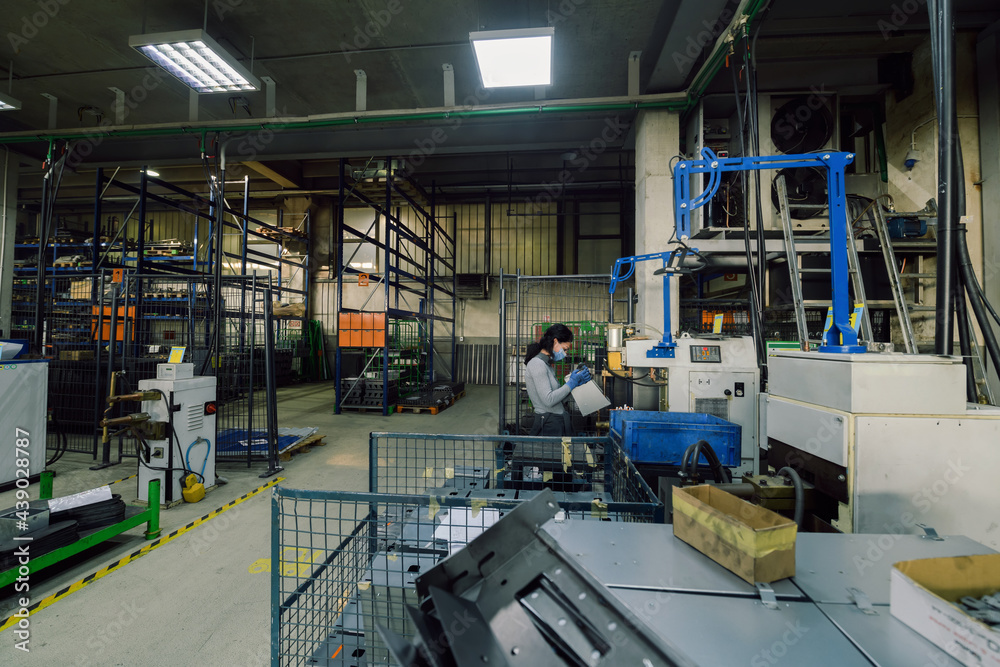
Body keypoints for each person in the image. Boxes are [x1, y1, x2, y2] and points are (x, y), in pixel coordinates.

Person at [523, 323, 592, 436]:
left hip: (556, 421)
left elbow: (559, 399)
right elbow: (549, 400)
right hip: (548, 424)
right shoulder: (537, 364)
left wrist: (576, 384)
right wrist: (571, 383)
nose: (565, 354)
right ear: (555, 341)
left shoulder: (547, 365)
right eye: (565, 349)